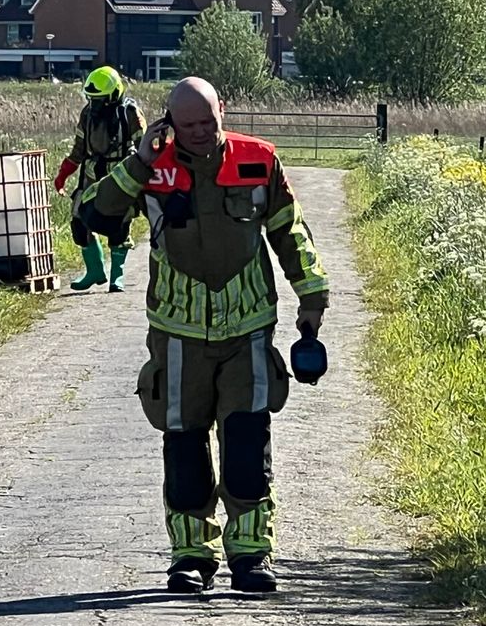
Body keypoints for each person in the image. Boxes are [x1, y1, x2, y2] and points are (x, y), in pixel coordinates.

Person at [76, 76, 329, 594]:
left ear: (223, 112)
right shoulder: (150, 168)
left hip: (249, 331)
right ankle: (191, 556)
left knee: (245, 447)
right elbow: (95, 215)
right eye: (185, 124)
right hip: (177, 334)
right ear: (169, 120)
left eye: (206, 122)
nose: (196, 133)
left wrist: (312, 297)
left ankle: (251, 555)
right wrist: (141, 161)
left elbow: (289, 230)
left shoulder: (258, 159)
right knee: (185, 450)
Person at [53, 66, 146, 292]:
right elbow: (79, 147)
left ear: (114, 95)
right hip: (92, 173)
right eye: (91, 99)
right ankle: (95, 271)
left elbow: (146, 147)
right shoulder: (88, 114)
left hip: (120, 174)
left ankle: (117, 276)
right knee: (79, 220)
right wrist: (64, 173)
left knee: (119, 224)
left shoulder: (130, 113)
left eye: (99, 100)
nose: (95, 105)